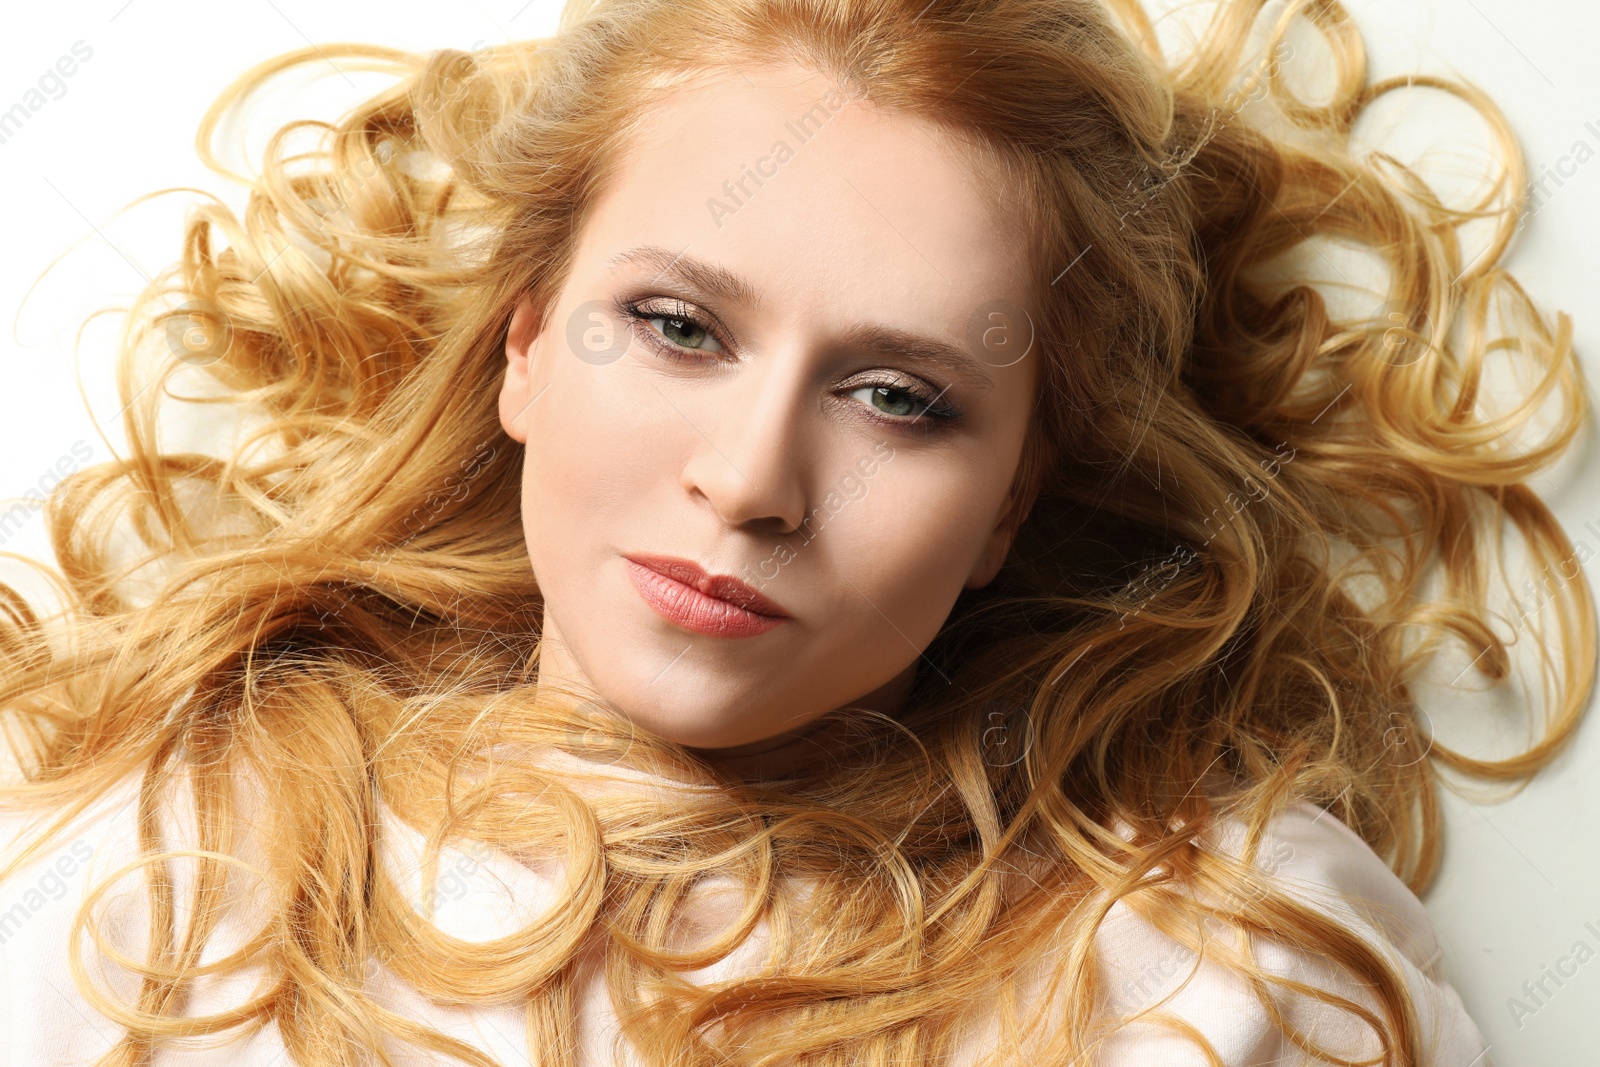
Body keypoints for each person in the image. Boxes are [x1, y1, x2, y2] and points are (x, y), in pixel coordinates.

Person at [0, 0, 1591, 1063]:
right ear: (526, 347)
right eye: (681, 326)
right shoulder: (170, 871)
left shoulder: (1217, 972)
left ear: (1009, 509)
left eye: (901, 397)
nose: (754, 481)